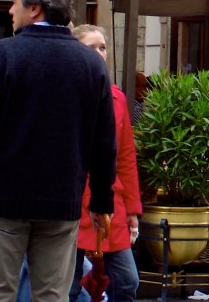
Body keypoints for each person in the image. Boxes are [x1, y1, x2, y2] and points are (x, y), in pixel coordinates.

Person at [0, 0, 116, 302]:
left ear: (35, 7)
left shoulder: (5, 54)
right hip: (61, 202)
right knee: (52, 296)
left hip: (3, 202)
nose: (11, 9)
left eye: (15, 1)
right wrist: (100, 202)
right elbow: (104, 142)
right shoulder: (90, 64)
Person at [69, 24, 141, 302]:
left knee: (127, 281)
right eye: (91, 48)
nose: (99, 53)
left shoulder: (117, 97)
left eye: (102, 47)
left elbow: (126, 155)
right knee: (68, 286)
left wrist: (133, 208)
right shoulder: (65, 95)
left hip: (111, 200)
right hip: (72, 200)